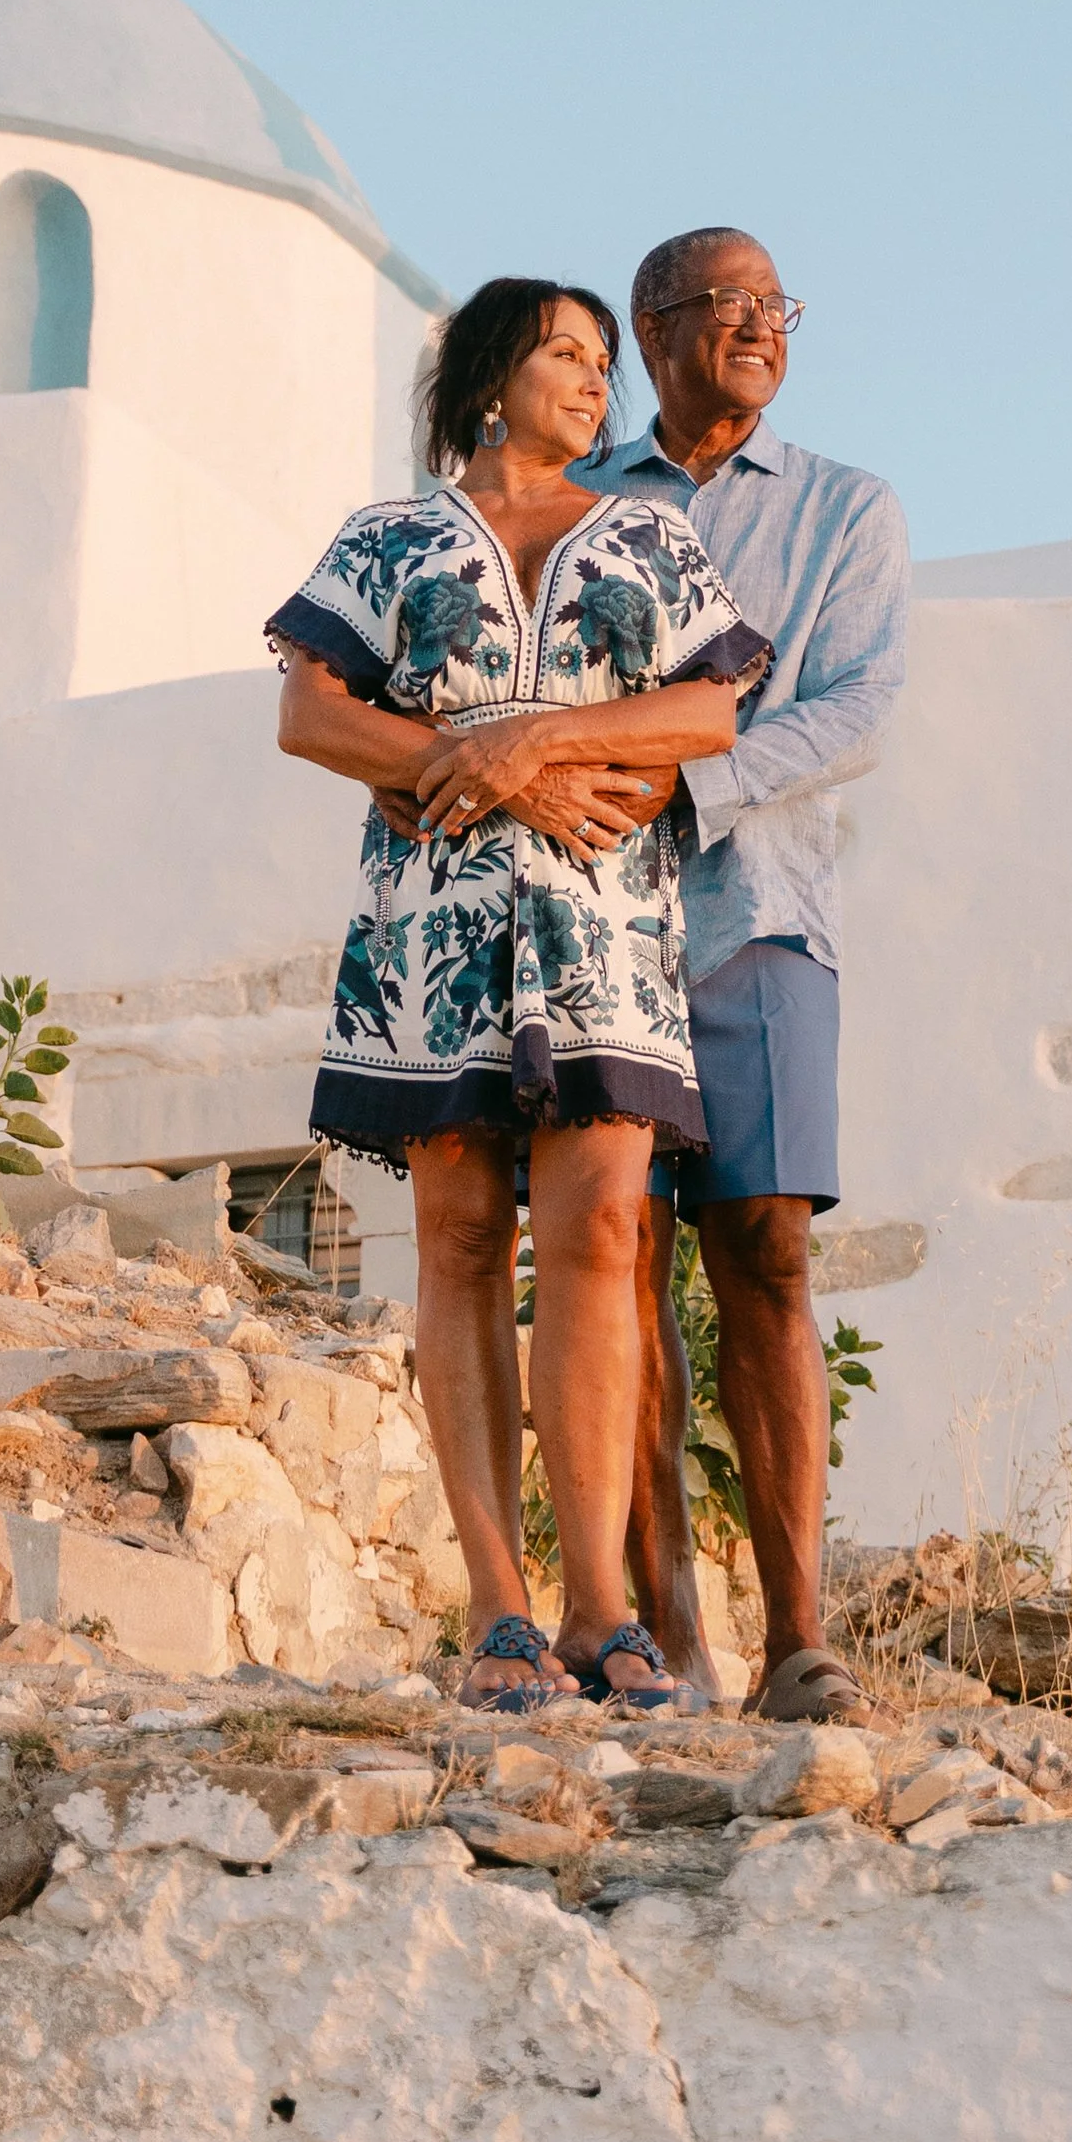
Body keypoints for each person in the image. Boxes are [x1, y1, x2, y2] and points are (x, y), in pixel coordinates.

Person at [268, 277, 771, 1714]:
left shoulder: (647, 538)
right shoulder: (390, 537)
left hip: (606, 924)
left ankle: (604, 1607)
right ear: (491, 374)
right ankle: (498, 1605)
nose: (595, 384)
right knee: (462, 1229)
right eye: (566, 354)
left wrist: (535, 742)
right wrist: (474, 765)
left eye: (604, 364)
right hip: (435, 922)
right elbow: (311, 711)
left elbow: (709, 708)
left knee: (606, 1228)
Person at [575, 228, 908, 1723]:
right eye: (732, 304)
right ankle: (665, 1638)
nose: (764, 326)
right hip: (591, 931)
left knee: (766, 1248)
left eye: (780, 305)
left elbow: (857, 705)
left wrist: (684, 784)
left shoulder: (849, 509)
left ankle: (799, 1640)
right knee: (618, 1267)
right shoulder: (573, 505)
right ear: (656, 331)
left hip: (763, 913)